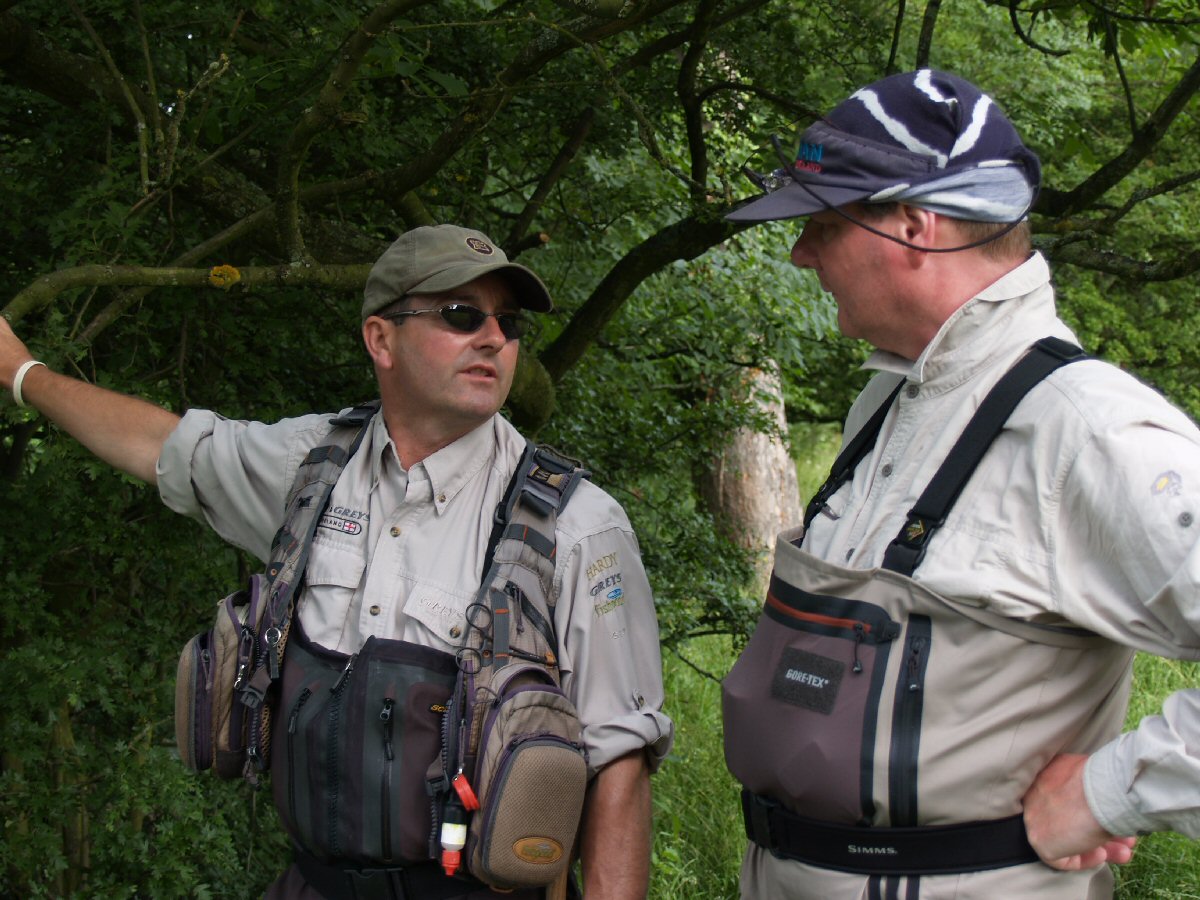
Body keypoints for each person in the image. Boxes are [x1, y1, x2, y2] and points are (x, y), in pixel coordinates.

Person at [0, 224, 672, 899]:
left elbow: (620, 773)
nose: (494, 339)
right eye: (462, 315)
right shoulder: (310, 467)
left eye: (508, 321)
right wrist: (22, 374)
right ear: (381, 339)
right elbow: (162, 446)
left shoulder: (579, 526)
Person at [720, 69, 1200, 899]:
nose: (801, 252)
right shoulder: (890, 399)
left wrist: (1108, 792)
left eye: (823, 223)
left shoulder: (1087, 429)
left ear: (915, 226)